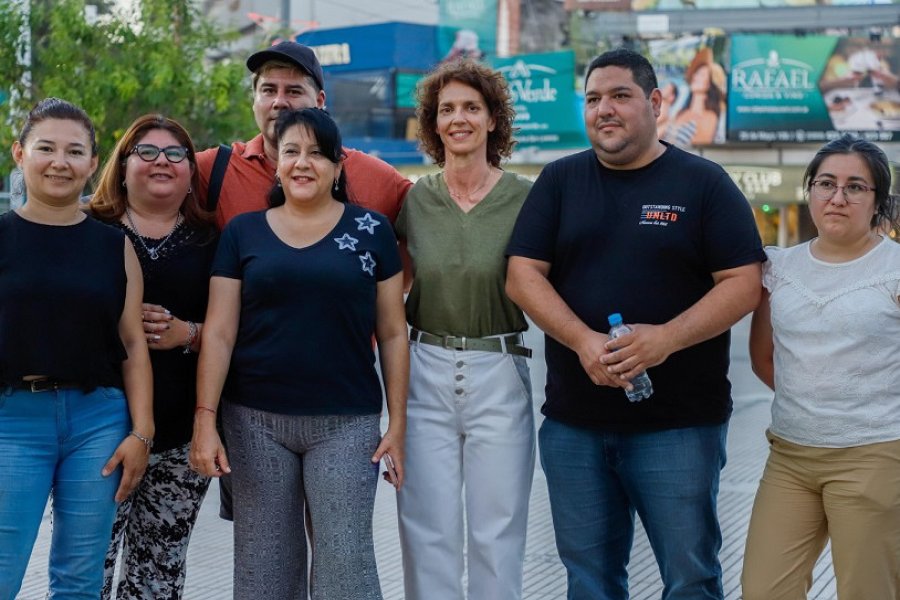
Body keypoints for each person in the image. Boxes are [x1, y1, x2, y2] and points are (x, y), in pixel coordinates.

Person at [505, 48, 766, 599]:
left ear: (655, 102)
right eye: (593, 99)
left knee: (690, 579)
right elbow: (522, 275)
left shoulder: (704, 184)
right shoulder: (559, 180)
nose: (604, 109)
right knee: (589, 582)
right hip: (575, 424)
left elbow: (743, 282)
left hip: (679, 427)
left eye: (620, 95)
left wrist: (665, 340)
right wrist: (582, 341)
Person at [189, 107, 408, 600]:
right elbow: (219, 334)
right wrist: (205, 420)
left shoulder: (372, 230)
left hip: (347, 424)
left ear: (338, 165)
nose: (302, 163)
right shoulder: (243, 233)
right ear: (277, 164)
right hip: (254, 423)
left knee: (346, 568)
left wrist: (398, 424)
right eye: (291, 152)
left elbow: (394, 333)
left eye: (317, 153)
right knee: (264, 571)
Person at [0, 98, 153, 599]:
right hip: (12, 422)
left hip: (97, 424)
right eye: (46, 148)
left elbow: (132, 341)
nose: (59, 162)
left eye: (74, 151)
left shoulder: (114, 246)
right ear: (20, 154)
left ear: (92, 163)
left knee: (80, 579)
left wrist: (142, 432)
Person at [395, 59, 535, 600]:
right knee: (426, 528)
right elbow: (395, 285)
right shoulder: (416, 199)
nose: (459, 119)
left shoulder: (526, 198)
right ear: (433, 123)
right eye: (447, 109)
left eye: (471, 108)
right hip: (424, 368)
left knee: (497, 532)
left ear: (493, 119)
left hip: (500, 365)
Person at [742, 134, 900, 600]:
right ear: (809, 190)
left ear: (878, 200)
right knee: (763, 591)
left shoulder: (893, 269)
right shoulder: (779, 268)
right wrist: (817, 401)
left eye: (856, 186)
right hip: (791, 457)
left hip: (874, 456)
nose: (838, 197)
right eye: (826, 183)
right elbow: (763, 358)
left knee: (868, 591)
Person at [89, 114, 218, 599]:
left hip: (182, 437)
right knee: (87, 568)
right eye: (146, 152)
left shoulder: (214, 241)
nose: (161, 161)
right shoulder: (88, 230)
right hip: (96, 433)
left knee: (158, 574)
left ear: (191, 173)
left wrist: (189, 334)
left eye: (175, 153)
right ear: (122, 167)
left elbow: (240, 331)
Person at [195, 40, 410, 228]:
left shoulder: (375, 178)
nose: (279, 102)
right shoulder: (212, 170)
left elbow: (426, 223)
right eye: (268, 90)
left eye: (293, 91)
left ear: (319, 101)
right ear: (254, 101)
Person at [668, 48, 725, 147]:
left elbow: (697, 151)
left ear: (709, 84)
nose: (695, 77)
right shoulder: (681, 112)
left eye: (701, 75)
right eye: (696, 73)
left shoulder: (709, 117)